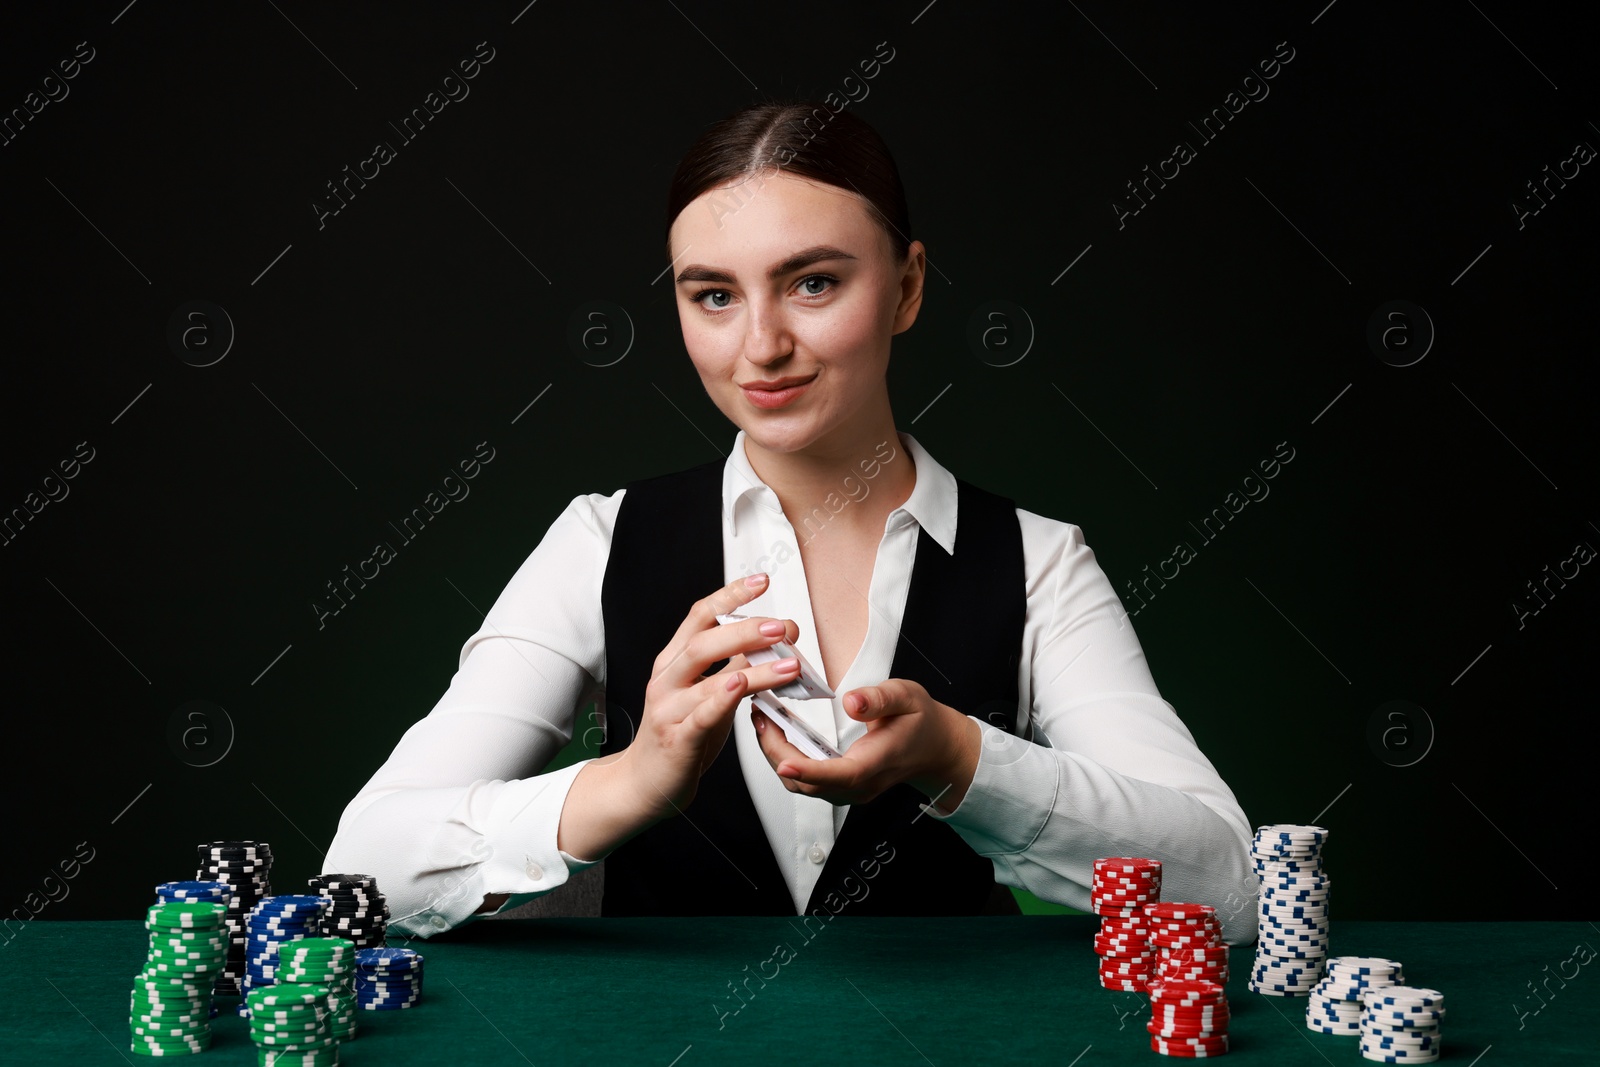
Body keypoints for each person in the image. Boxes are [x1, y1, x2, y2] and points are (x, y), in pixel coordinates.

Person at [323, 100, 1259, 942]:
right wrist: (633, 778)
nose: (761, 345)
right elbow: (361, 873)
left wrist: (964, 759)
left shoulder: (1039, 562)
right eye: (714, 296)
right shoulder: (600, 542)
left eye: (813, 283)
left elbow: (1231, 886)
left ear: (907, 287)